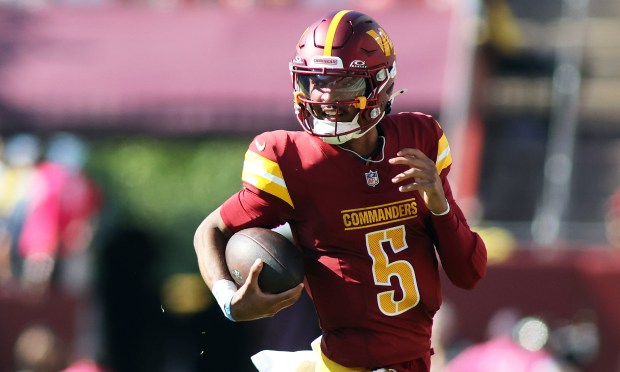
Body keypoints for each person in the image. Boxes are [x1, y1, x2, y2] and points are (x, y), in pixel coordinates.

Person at [194, 9, 487, 372]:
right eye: (315, 80)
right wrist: (228, 300)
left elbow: (469, 273)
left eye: (343, 81)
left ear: (380, 85)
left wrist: (440, 206)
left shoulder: (418, 141)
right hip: (348, 364)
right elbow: (211, 230)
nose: (324, 95)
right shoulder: (291, 161)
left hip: (416, 361)